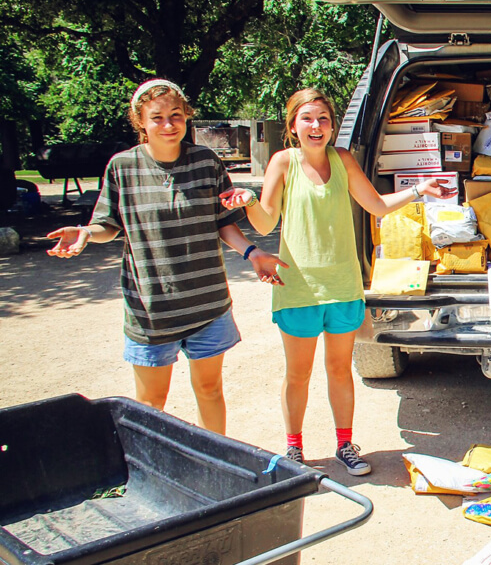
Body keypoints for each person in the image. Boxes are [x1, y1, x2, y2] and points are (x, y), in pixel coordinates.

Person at [221, 88, 455, 475]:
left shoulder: (342, 159)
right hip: (296, 288)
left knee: (339, 370)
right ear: (293, 125)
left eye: (324, 119)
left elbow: (376, 205)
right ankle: (294, 449)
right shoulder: (283, 163)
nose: (317, 126)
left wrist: (419, 189)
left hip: (343, 286)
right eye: (308, 119)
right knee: (298, 374)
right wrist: (248, 199)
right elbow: (265, 222)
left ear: (332, 125)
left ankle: (345, 445)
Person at [47, 79, 285, 436]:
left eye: (176, 115)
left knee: (209, 390)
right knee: (152, 402)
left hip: (207, 305)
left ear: (187, 116)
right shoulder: (122, 167)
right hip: (151, 311)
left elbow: (222, 223)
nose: (168, 124)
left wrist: (253, 253)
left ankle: (214, 463)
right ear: (140, 121)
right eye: (157, 117)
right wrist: (85, 234)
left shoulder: (206, 162)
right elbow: (107, 224)